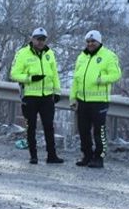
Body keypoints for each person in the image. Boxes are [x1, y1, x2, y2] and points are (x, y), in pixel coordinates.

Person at [9, 27, 63, 165]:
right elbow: (14, 74)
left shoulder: (49, 53)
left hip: (47, 97)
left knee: (49, 126)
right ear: (32, 39)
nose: (40, 42)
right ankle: (33, 156)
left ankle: (52, 156)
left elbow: (54, 74)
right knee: (31, 127)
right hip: (30, 97)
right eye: (38, 39)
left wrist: (57, 91)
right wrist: (30, 78)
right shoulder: (22, 53)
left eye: (43, 39)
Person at [70, 29, 122, 169]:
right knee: (83, 130)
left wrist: (101, 79)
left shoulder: (108, 56)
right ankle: (87, 156)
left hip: (99, 101)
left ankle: (99, 158)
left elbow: (116, 74)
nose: (90, 44)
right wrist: (73, 98)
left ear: (99, 42)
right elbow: (76, 79)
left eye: (93, 41)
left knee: (99, 131)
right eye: (88, 41)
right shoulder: (82, 57)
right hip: (82, 100)